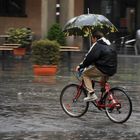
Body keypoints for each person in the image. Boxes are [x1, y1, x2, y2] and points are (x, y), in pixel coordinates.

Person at [76, 31, 117, 102]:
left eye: (92, 38)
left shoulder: (97, 45)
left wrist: (81, 66)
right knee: (102, 83)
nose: (92, 40)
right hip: (112, 69)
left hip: (103, 68)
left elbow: (90, 58)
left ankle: (91, 94)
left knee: (85, 74)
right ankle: (107, 101)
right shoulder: (110, 44)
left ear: (95, 38)